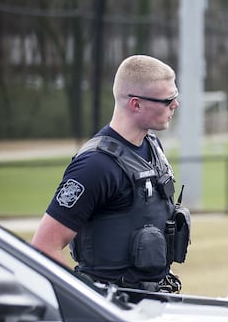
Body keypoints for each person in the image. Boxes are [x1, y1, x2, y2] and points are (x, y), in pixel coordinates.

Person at [31, 54, 190, 293]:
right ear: (136, 104)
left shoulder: (152, 145)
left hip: (151, 306)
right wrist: (86, 301)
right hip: (112, 315)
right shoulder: (95, 165)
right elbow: (44, 246)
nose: (175, 105)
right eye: (168, 100)